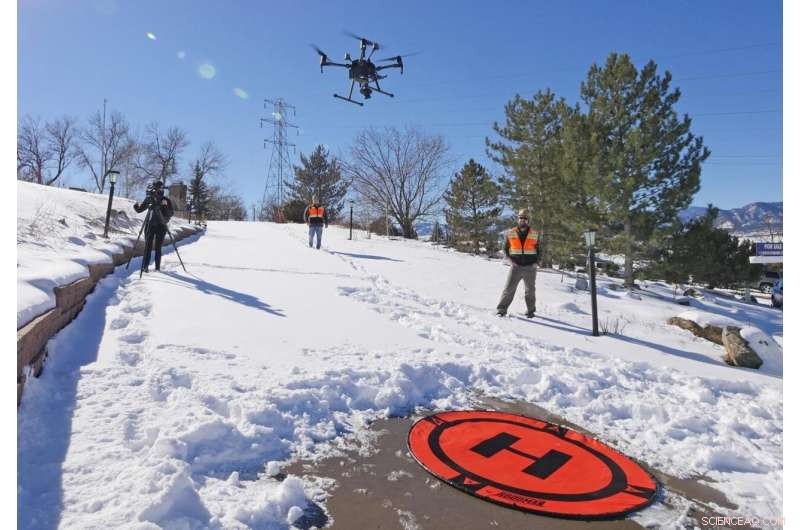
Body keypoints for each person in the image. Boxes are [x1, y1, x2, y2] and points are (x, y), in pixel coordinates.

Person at [496, 209, 539, 318]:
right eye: (520, 218)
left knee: (530, 291)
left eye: (525, 218)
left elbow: (540, 249)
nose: (522, 220)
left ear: (528, 220)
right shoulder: (510, 233)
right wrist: (510, 260)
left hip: (530, 267)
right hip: (516, 266)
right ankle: (501, 310)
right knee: (508, 289)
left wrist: (536, 262)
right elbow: (505, 248)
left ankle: (531, 311)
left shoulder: (535, 233)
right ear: (518, 219)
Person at [133, 181, 174, 273]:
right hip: (150, 225)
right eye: (155, 188)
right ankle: (145, 267)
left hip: (161, 225)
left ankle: (157, 267)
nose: (157, 191)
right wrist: (136, 206)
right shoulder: (149, 199)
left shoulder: (166, 200)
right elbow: (139, 210)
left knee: (158, 247)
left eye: (158, 188)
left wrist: (165, 206)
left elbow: (171, 213)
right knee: (148, 246)